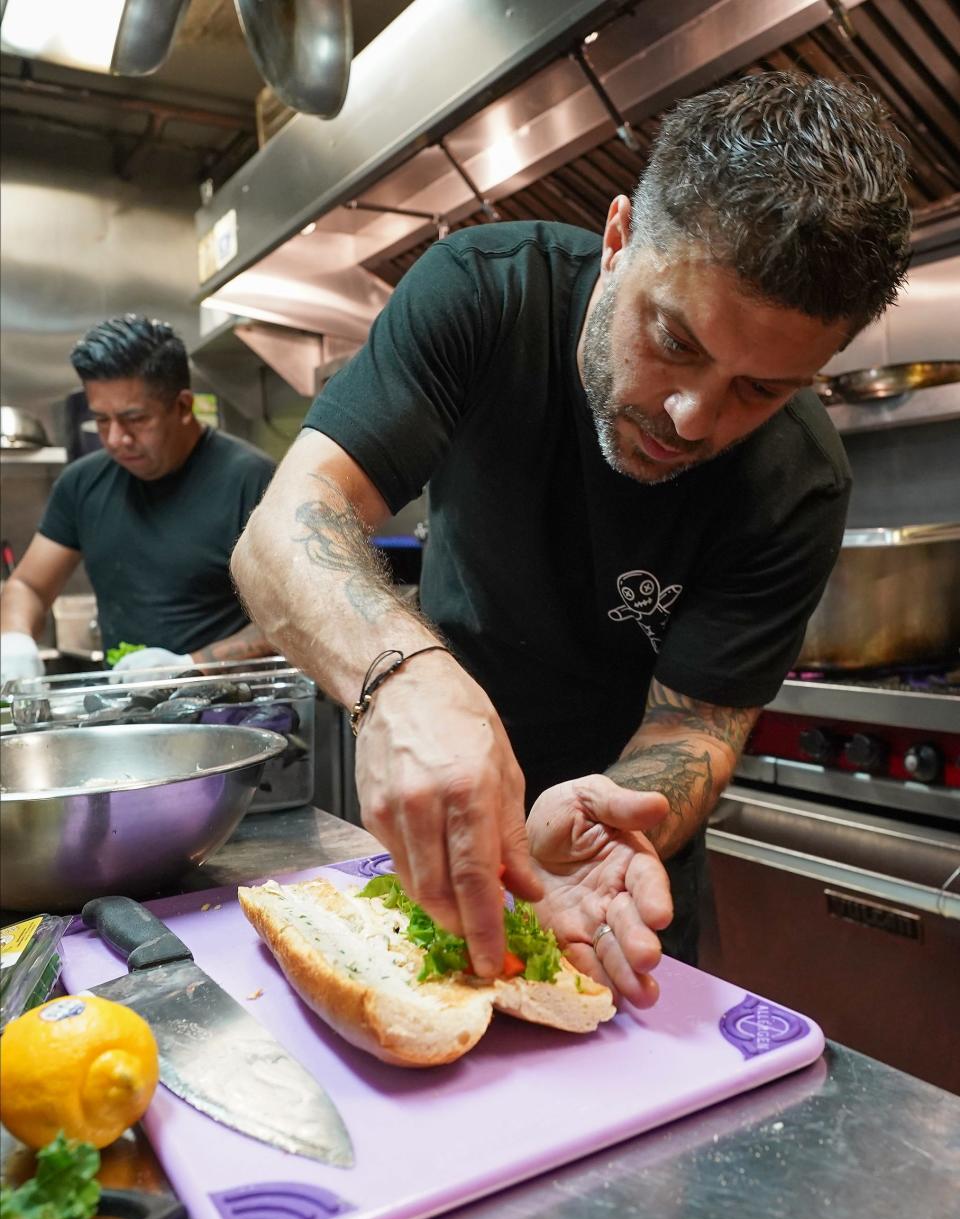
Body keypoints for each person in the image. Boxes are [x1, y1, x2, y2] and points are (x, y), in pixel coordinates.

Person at [230, 72, 911, 1002]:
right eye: (675, 339)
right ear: (621, 238)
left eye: (761, 389)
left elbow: (697, 721)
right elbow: (283, 529)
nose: (692, 416)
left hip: (606, 880)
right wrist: (402, 680)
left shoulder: (798, 478)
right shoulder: (483, 295)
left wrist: (624, 821)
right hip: (431, 805)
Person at [0, 315, 276, 684]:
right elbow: (29, 586)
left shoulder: (254, 482)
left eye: (135, 419)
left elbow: (295, 618)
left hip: (236, 713)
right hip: (130, 716)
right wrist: (15, 638)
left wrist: (189, 666)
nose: (115, 439)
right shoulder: (81, 484)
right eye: (101, 420)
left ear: (182, 406)